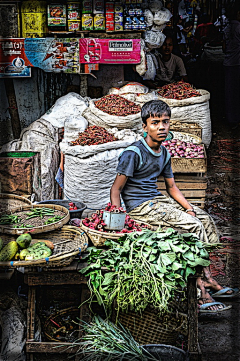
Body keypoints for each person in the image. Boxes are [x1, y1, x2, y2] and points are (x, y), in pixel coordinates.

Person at [110, 99, 239, 313]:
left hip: (158, 201)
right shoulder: (133, 153)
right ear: (145, 127)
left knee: (204, 219)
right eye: (155, 123)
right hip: (140, 207)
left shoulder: (165, 153)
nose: (161, 127)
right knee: (192, 226)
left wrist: (188, 208)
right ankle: (199, 290)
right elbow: (116, 189)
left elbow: (172, 187)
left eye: (165, 122)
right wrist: (118, 218)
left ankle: (208, 278)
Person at [222, 3, 240, 130]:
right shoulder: (239, 27)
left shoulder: (226, 28)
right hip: (238, 63)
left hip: (228, 63)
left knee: (230, 93)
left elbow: (223, 47)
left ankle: (231, 119)